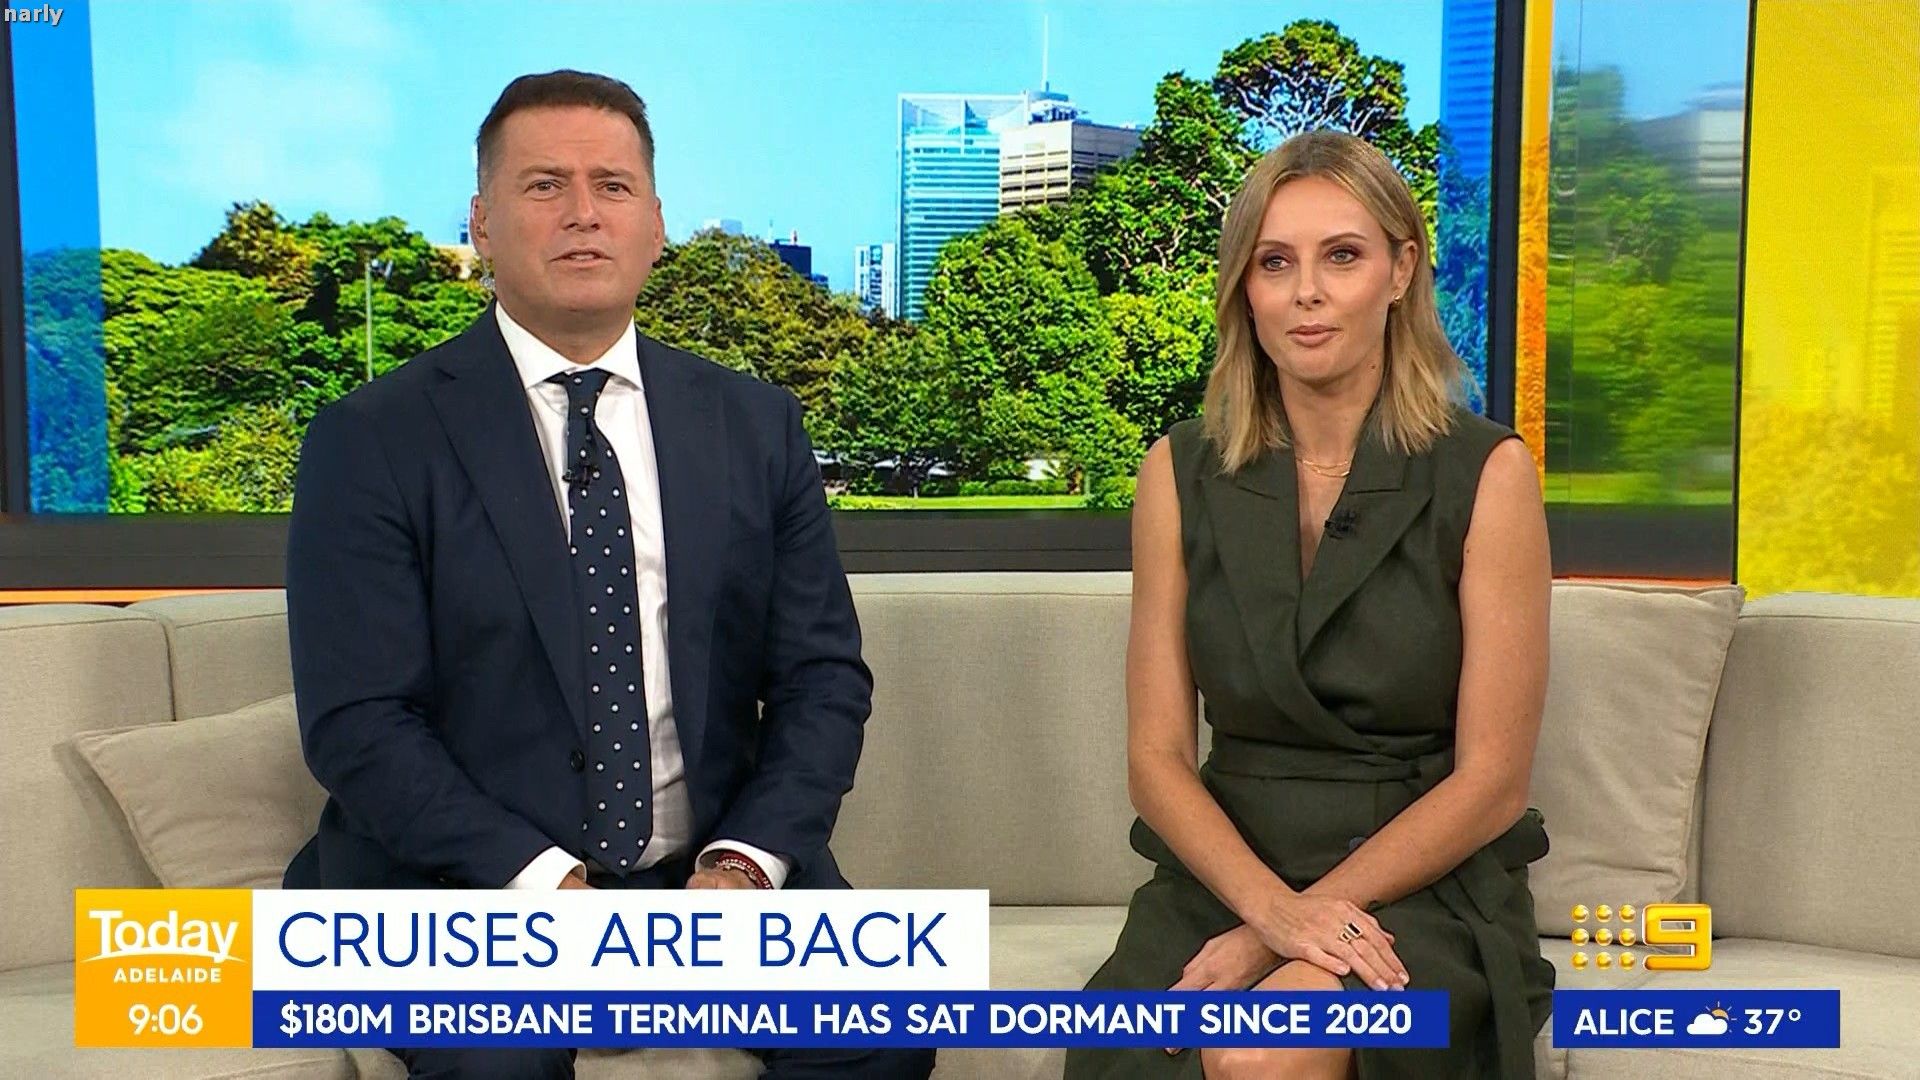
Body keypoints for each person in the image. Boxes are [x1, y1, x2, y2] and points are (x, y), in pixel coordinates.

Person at [281, 69, 935, 1080]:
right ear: (482, 224)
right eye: (545, 185)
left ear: (656, 225)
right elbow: (359, 724)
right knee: (498, 1069)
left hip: (708, 878)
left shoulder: (756, 425)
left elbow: (822, 681)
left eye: (613, 186)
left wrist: (742, 868)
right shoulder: (371, 439)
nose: (583, 213)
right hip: (463, 884)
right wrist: (550, 892)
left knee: (883, 1040)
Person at [1065, 130, 1555, 1080]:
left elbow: (1493, 781)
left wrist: (1282, 935)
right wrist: (1266, 908)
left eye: (1342, 256)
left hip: (1416, 878)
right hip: (1227, 869)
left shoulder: (1487, 472)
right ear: (1243, 289)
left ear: (1400, 271)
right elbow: (1157, 759)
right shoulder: (1178, 471)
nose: (1307, 293)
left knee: (1262, 1049)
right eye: (1275, 263)